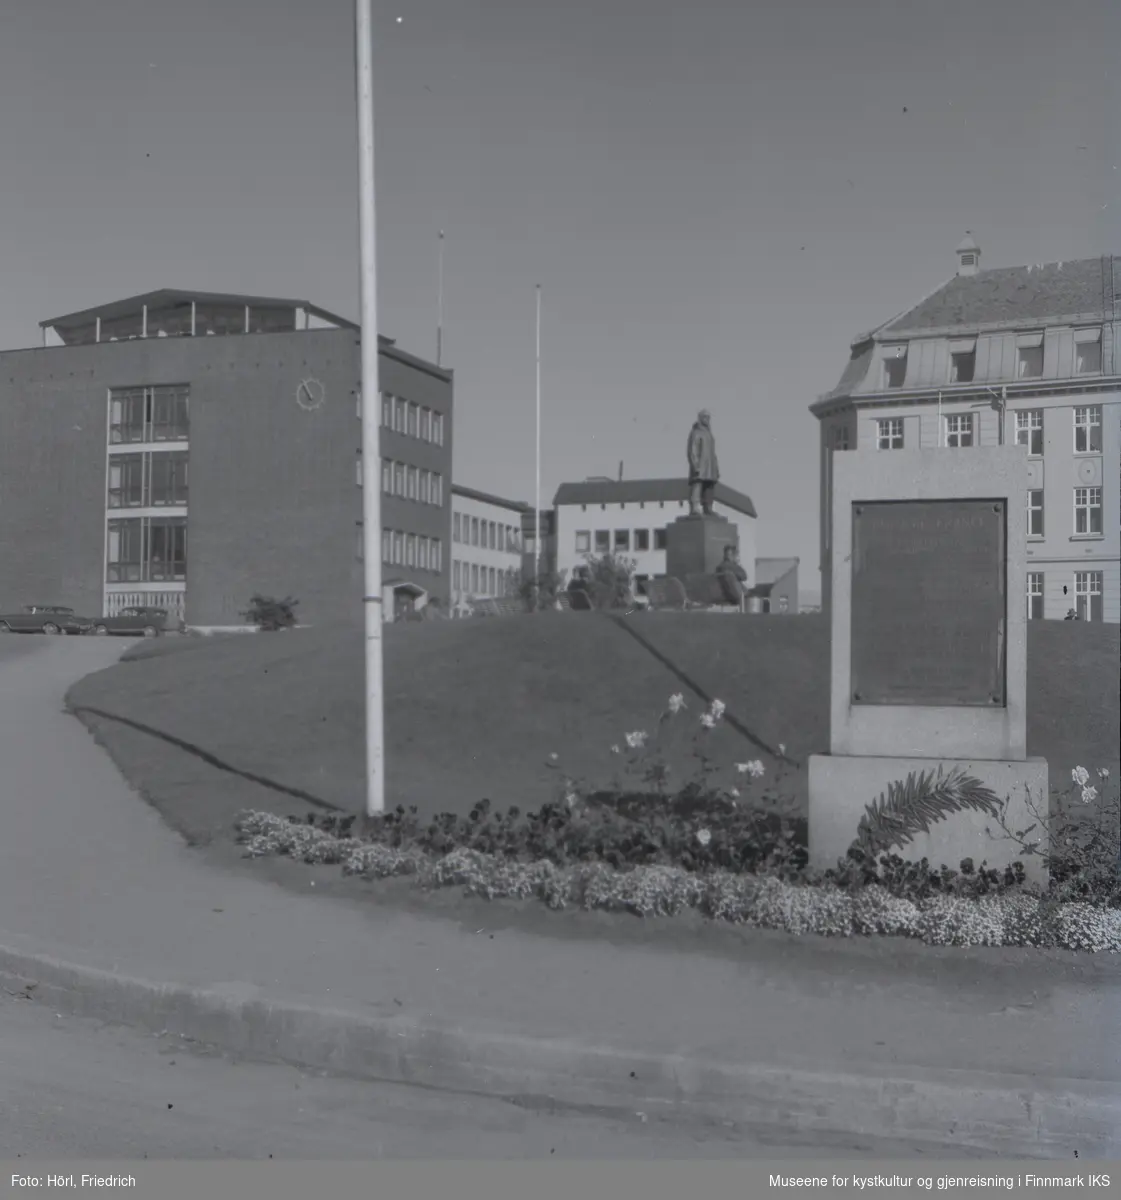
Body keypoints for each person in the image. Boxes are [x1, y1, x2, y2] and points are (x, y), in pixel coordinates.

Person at [687, 409, 719, 516]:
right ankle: (695, 506)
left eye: (708, 417)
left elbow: (713, 453)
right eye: (705, 417)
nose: (707, 419)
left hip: (710, 466)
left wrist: (716, 468)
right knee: (698, 484)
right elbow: (693, 450)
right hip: (700, 465)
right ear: (700, 418)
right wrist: (695, 465)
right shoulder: (696, 432)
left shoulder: (709, 434)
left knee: (709, 486)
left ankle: (708, 507)